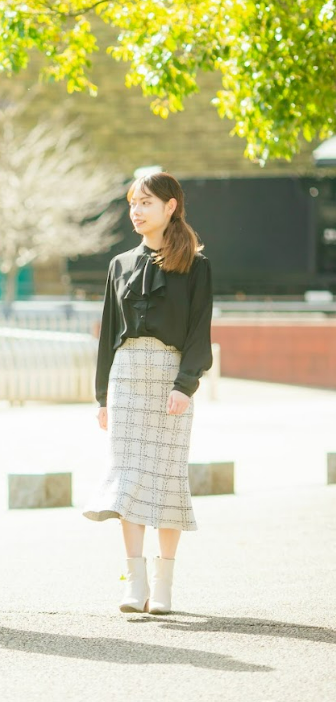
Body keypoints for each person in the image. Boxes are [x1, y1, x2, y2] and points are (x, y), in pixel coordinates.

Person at [83, 171, 213, 615]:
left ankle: (164, 584)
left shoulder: (197, 266)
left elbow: (199, 332)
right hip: (126, 377)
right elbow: (107, 337)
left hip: (170, 376)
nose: (136, 211)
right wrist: (103, 396)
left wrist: (186, 385)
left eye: (146, 203)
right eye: (133, 203)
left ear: (170, 207)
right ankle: (133, 581)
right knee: (129, 478)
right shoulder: (119, 264)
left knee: (167, 477)